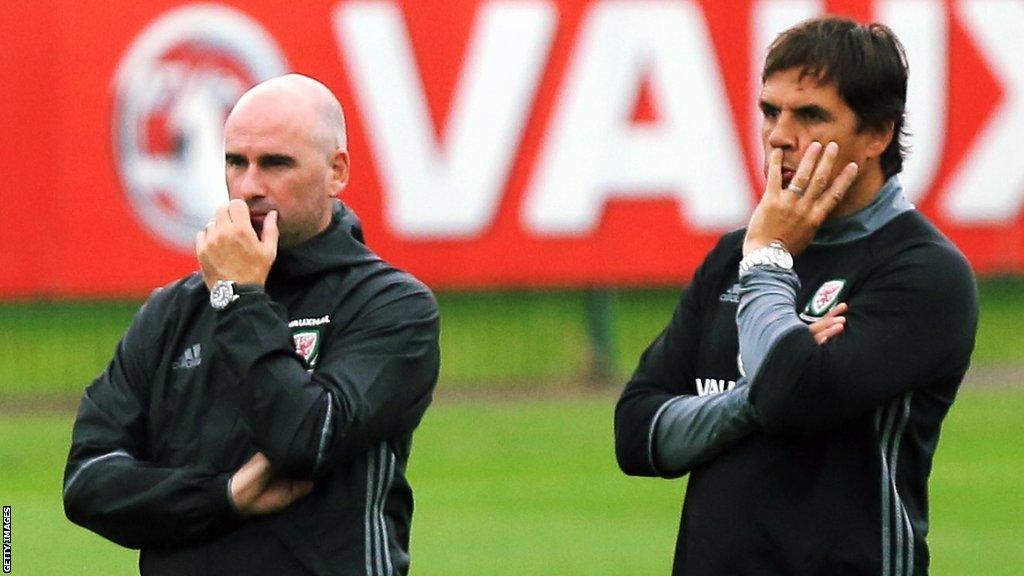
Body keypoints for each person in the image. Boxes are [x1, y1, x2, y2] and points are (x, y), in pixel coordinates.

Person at [615, 17, 977, 575]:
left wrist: (766, 261)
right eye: (769, 111)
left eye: (810, 115)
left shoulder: (924, 273)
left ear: (878, 133)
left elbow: (793, 402)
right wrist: (752, 393)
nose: (780, 135)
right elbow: (637, 433)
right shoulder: (732, 254)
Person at [63, 74, 441, 576]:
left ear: (336, 171)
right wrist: (222, 497)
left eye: (276, 164)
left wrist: (239, 297)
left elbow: (306, 440)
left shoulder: (391, 306)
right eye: (235, 162)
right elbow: (87, 482)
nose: (248, 187)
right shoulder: (171, 312)